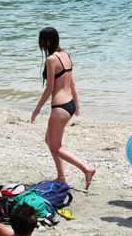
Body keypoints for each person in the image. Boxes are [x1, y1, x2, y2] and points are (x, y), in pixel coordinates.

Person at [31, 27, 95, 190]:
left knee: (55, 146)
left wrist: (37, 108)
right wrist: (77, 105)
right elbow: (72, 82)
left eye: (41, 41)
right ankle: (61, 177)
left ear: (46, 41)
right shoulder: (65, 55)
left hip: (60, 107)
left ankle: (86, 169)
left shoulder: (52, 59)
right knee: (50, 140)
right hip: (69, 104)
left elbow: (50, 88)